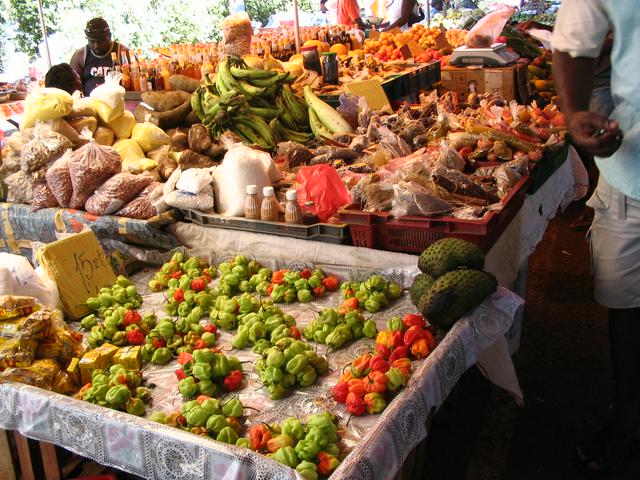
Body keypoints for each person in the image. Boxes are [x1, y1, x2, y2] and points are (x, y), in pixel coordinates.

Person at [552, 0, 640, 476]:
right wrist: (576, 112)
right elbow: (573, 44)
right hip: (633, 168)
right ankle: (628, 419)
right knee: (625, 302)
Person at [70, 18, 129, 97]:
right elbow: (73, 88)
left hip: (118, 102)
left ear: (109, 37)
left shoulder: (123, 52)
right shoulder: (80, 56)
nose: (96, 46)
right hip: (91, 103)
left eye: (101, 41)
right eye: (92, 42)